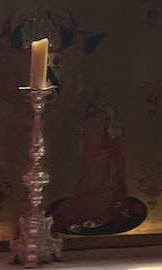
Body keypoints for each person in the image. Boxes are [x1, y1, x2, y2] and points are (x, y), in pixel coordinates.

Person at [55, 96, 128, 230]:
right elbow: (95, 141)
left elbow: (118, 132)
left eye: (108, 92)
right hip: (97, 158)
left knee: (111, 182)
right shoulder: (96, 117)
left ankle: (109, 212)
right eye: (104, 93)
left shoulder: (112, 111)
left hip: (110, 156)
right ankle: (93, 214)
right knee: (95, 183)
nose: (107, 95)